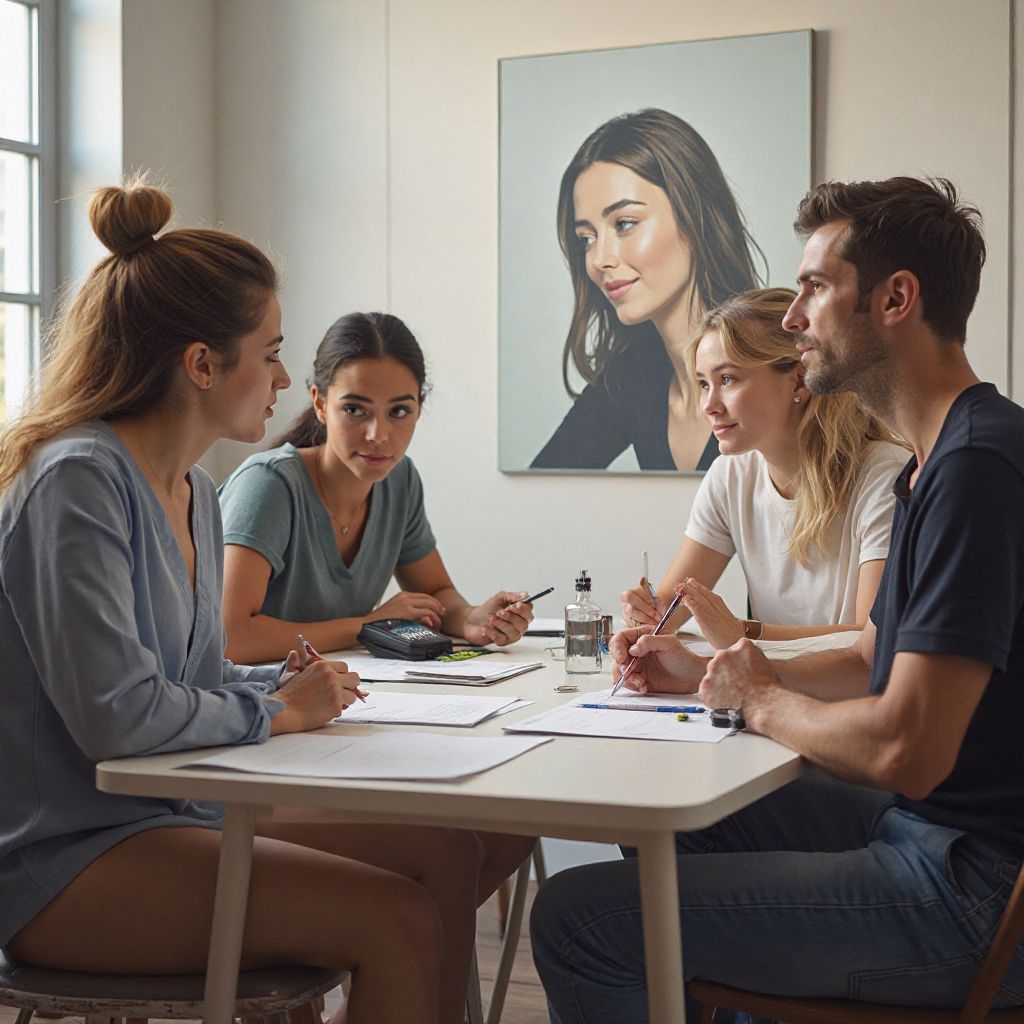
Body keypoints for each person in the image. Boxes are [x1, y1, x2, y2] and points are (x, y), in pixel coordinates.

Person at [530, 176, 1024, 1022]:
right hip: (932, 840)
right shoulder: (934, 460)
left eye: (816, 287)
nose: (795, 319)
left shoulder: (977, 467)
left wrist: (758, 699)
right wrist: (703, 676)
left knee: (582, 919)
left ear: (897, 299)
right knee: (665, 821)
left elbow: (908, 749)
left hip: (970, 890)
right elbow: (873, 658)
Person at [0, 181, 493, 1024]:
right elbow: (119, 715)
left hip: (174, 819)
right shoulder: (76, 480)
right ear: (201, 364)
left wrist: (278, 688)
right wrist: (279, 715)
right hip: (63, 863)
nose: (280, 380)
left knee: (444, 856)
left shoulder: (193, 487)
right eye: (269, 354)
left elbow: (192, 674)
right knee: (399, 917)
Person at [218, 311, 534, 663]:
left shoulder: (399, 480)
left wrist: (473, 620)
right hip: (252, 702)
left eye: (399, 411)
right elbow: (231, 637)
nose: (378, 435)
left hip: (338, 694)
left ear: (419, 408)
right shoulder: (268, 485)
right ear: (320, 404)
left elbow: (434, 592)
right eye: (354, 409)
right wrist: (366, 625)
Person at [620, 287, 907, 652]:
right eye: (704, 384)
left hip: (845, 700)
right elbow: (668, 611)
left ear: (798, 380)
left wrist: (743, 632)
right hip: (764, 691)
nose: (708, 405)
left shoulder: (886, 478)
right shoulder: (729, 476)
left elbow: (869, 643)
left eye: (728, 379)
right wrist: (644, 617)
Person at [531, 107, 764, 472]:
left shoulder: (779, 372)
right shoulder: (633, 378)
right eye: (586, 239)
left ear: (694, 216)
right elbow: (541, 489)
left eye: (624, 223)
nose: (598, 260)